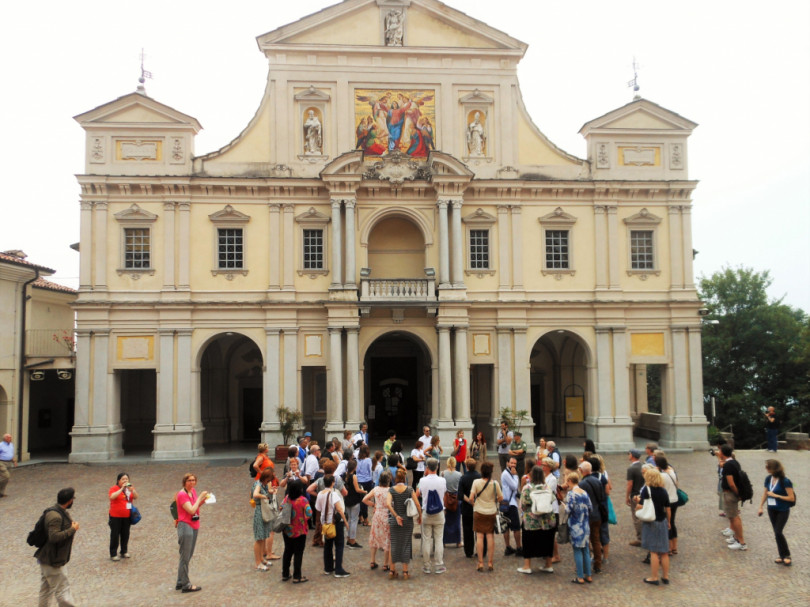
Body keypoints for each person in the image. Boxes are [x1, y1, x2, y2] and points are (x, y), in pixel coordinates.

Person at [35, 487, 79, 606]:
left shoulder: (55, 511)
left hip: (47, 558)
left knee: (45, 589)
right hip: (53, 560)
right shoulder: (56, 516)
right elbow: (54, 537)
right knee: (63, 591)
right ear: (70, 501)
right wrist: (72, 529)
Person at [635, 467, 671, 585]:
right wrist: (669, 522)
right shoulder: (663, 491)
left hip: (651, 522)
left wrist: (637, 504)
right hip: (662, 521)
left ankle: (654, 577)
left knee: (654, 551)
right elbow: (668, 508)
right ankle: (665, 576)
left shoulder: (647, 489)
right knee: (664, 551)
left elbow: (641, 506)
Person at [517, 465, 556, 575]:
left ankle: (527, 566)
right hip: (547, 520)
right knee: (548, 541)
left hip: (531, 520)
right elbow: (552, 499)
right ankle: (548, 564)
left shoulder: (528, 488)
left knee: (528, 542)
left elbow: (523, 505)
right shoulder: (547, 487)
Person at [758, 459, 795, 566]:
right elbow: (765, 493)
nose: (766, 469)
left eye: (767, 467)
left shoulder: (785, 481)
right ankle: (781, 555)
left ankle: (787, 555)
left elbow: (791, 498)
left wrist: (777, 495)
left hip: (783, 509)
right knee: (776, 532)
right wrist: (760, 506)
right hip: (771, 509)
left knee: (778, 531)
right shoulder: (768, 478)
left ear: (774, 468)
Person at [175, 473, 208, 592]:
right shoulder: (182, 494)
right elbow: (191, 510)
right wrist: (200, 497)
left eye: (193, 480)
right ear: (184, 482)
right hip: (186, 526)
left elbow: (196, 505)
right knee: (185, 555)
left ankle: (180, 581)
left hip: (194, 524)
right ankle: (186, 584)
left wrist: (204, 500)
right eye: (189, 480)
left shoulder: (192, 491)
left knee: (187, 555)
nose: (192, 482)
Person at [387, 468, 420, 580]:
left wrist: (396, 516)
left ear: (396, 478)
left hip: (395, 520)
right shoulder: (409, 489)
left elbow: (388, 504)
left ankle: (392, 571)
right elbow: (417, 504)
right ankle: (405, 572)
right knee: (406, 544)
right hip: (407, 520)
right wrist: (420, 516)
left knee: (394, 544)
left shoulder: (391, 490)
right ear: (404, 478)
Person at [415, 458, 447, 574]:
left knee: (426, 539)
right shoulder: (442, 480)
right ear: (437, 467)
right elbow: (444, 494)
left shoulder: (422, 480)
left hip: (426, 512)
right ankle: (438, 565)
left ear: (427, 468)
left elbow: (417, 493)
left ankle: (427, 565)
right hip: (439, 512)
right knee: (439, 539)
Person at [470, 461, 503, 572]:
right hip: (491, 511)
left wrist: (475, 504)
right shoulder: (495, 484)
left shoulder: (476, 482)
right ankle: (490, 562)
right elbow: (501, 498)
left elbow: (471, 498)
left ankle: (480, 562)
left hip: (479, 511)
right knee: (490, 536)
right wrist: (494, 501)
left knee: (479, 536)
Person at [316, 473, 350, 578]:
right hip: (335, 522)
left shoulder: (320, 494)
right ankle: (338, 569)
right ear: (332, 483)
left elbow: (318, 508)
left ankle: (328, 567)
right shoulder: (333, 494)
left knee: (328, 545)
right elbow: (339, 509)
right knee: (339, 545)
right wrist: (345, 521)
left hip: (325, 522)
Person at [280, 480, 312, 583]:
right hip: (300, 531)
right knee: (298, 553)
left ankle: (285, 574)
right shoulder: (303, 500)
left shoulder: (287, 499)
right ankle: (297, 576)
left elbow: (281, 508)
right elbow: (309, 514)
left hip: (287, 530)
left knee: (287, 551)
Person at [564, 472, 592, 584]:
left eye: (567, 481)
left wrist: (565, 506)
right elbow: (590, 508)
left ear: (570, 481)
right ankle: (588, 575)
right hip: (585, 525)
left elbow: (568, 510)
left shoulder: (571, 494)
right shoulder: (584, 493)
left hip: (576, 525)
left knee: (577, 550)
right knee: (586, 550)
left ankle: (580, 576)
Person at [578, 460, 606, 573]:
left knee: (585, 541)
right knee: (596, 540)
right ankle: (598, 564)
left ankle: (586, 564)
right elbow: (601, 496)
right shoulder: (597, 481)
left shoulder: (582, 484)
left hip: (586, 515)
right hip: (597, 514)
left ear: (582, 471)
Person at [718, 444, 747, 550]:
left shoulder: (728, 465)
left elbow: (731, 483)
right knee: (732, 516)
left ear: (722, 453)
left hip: (730, 493)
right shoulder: (734, 462)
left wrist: (737, 493)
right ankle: (736, 538)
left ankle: (741, 542)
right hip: (731, 493)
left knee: (734, 517)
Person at [363, 470, 392, 571]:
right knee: (387, 539)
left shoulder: (376, 489)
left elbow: (364, 499)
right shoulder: (390, 490)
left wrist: (374, 505)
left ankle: (372, 561)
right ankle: (385, 564)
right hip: (387, 515)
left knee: (374, 536)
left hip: (377, 515)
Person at [108, 472, 138, 561]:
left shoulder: (129, 489)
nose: (125, 481)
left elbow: (136, 497)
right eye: (123, 479)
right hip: (115, 516)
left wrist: (133, 490)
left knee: (125, 534)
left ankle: (124, 551)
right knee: (115, 534)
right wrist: (121, 489)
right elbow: (112, 497)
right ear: (118, 480)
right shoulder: (114, 488)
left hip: (127, 516)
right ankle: (113, 553)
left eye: (127, 479)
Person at [252, 468, 277, 570]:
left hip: (263, 511)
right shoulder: (258, 484)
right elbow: (255, 494)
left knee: (263, 537)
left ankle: (262, 558)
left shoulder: (264, 484)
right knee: (259, 538)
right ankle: (258, 563)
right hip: (259, 512)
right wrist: (265, 496)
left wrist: (271, 491)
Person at [655, 454, 680, 556]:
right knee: (672, 522)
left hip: (667, 502)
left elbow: (658, 487)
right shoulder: (672, 473)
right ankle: (674, 547)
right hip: (675, 499)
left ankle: (668, 547)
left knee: (667, 523)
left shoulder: (661, 476)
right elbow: (677, 485)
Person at [500, 456, 523, 557]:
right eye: (511, 463)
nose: (513, 465)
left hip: (505, 503)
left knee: (507, 527)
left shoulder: (507, 473)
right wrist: (516, 476)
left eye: (515, 464)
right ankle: (518, 548)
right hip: (510, 504)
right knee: (515, 527)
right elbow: (514, 486)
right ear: (507, 463)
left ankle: (508, 548)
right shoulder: (506, 474)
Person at [459, 458, 481, 559]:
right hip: (479, 507)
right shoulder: (480, 477)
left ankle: (469, 551)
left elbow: (460, 494)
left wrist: (469, 501)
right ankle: (482, 550)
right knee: (480, 531)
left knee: (468, 531)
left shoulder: (463, 478)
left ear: (466, 467)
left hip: (467, 508)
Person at [344, 460, 366, 549]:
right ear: (355, 467)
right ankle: (352, 540)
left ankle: (348, 538)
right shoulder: (354, 476)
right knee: (354, 521)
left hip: (347, 499)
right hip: (354, 500)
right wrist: (365, 491)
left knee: (349, 520)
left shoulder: (346, 475)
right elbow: (357, 489)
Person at [442, 456, 463, 547]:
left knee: (445, 520)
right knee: (457, 519)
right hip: (456, 498)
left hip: (446, 497)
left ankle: (444, 541)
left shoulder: (442, 473)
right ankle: (458, 541)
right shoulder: (459, 474)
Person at [625, 449, 644, 546]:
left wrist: (627, 496)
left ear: (632, 455)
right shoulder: (643, 466)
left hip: (635, 495)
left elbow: (629, 485)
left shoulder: (631, 469)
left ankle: (640, 539)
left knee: (636, 517)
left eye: (629, 454)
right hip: (643, 495)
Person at [357, 444, 374, 525]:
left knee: (360, 500)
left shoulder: (357, 460)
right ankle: (366, 519)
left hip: (358, 481)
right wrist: (372, 480)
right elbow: (370, 471)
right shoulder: (368, 460)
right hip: (367, 481)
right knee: (366, 501)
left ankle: (360, 517)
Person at [0, 433, 17, 497]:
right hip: (1, 462)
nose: (11, 439)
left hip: (9, 462)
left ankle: (1, 493)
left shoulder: (11, 445)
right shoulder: (1, 445)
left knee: (6, 479)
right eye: (9, 437)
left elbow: (11, 454)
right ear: (5, 438)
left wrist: (14, 461)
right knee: (6, 476)